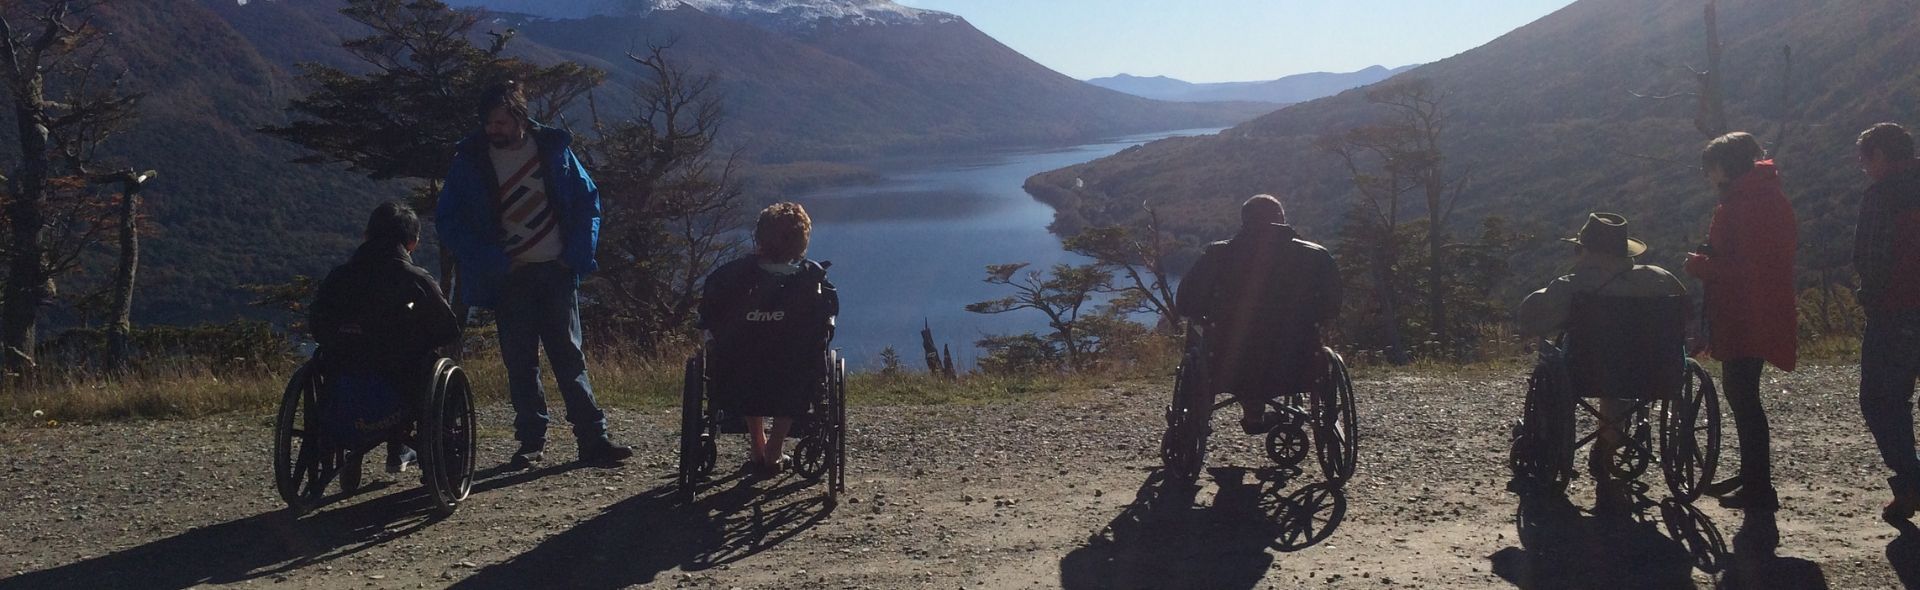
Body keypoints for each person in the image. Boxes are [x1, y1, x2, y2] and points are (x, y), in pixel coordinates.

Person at [435, 81, 632, 466]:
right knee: (521, 362)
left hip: (555, 271)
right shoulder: (471, 160)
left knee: (569, 357)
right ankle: (531, 442)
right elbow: (450, 221)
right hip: (510, 277)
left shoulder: (553, 150)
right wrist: (493, 261)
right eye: (488, 122)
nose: (493, 129)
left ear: (520, 119)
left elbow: (587, 200)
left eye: (501, 122)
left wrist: (574, 256)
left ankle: (593, 438)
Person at [1516, 213, 1687, 514]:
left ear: (1586, 251)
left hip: (1586, 372)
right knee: (1618, 377)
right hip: (1650, 372)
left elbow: (1534, 321)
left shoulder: (1571, 287)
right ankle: (1608, 447)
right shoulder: (1661, 280)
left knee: (1559, 356)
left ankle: (1549, 442)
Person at [1683, 131, 1798, 516]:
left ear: (1724, 166)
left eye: (1710, 167)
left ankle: (1759, 487)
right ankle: (1752, 475)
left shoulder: (1745, 202)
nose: (1708, 175)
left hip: (1747, 313)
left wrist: (1701, 267)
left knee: (1744, 398)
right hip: (1759, 309)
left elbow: (1745, 269)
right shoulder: (1762, 196)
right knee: (1743, 396)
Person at [309, 201, 462, 480]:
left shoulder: (339, 277)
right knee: (438, 368)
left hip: (343, 377)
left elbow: (318, 326)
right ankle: (431, 457)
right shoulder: (415, 279)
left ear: (366, 235)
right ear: (412, 243)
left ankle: (353, 448)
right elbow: (448, 329)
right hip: (403, 384)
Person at [1175, 194, 1341, 436]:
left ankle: (1242, 413)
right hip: (1296, 361)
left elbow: (1186, 303)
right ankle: (1257, 413)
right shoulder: (1316, 256)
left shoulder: (1218, 255)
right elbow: (1331, 307)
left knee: (1199, 333)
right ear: (1281, 219)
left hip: (1228, 363)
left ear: (1245, 221)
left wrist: (1205, 317)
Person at [698, 202, 838, 475]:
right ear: (801, 242)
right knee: (795, 366)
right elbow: (824, 327)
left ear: (760, 237)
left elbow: (709, 318)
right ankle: (774, 449)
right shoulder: (812, 283)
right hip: (792, 375)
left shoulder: (730, 278)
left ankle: (757, 446)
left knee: (749, 360)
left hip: (738, 373)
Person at [1852, 122, 1920, 524]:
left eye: (1866, 160)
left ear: (1879, 155)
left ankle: (1911, 481)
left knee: (1881, 400)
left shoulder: (1883, 195)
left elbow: (1871, 257)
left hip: (1897, 311)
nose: (1865, 169)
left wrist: (1869, 297)